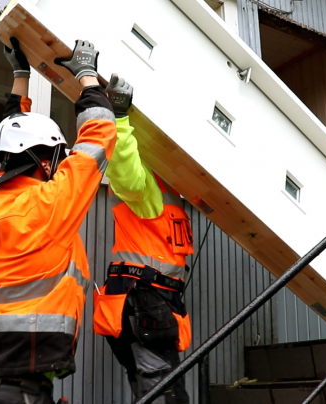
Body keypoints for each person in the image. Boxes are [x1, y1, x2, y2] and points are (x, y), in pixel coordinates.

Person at [0, 36, 117, 404]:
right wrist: (87, 75)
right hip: (23, 389)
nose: (59, 163)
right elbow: (99, 136)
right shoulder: (51, 205)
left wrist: (20, 74)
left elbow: (10, 143)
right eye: (56, 155)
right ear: (46, 161)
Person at [93, 74, 194, 403]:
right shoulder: (149, 186)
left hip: (151, 307)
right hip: (143, 305)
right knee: (164, 395)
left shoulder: (172, 191)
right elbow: (125, 172)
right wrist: (120, 118)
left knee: (156, 390)